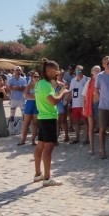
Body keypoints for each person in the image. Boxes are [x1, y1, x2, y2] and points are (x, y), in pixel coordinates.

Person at [34, 59, 68, 187]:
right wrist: (62, 92)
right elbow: (53, 101)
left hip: (42, 117)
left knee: (40, 146)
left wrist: (60, 86)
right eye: (57, 71)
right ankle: (47, 178)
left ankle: (38, 174)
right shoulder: (45, 85)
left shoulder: (40, 83)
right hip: (48, 118)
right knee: (48, 148)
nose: (58, 74)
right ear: (50, 71)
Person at [68, 65, 89, 145]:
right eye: (76, 71)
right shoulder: (73, 80)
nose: (78, 72)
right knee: (76, 122)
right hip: (75, 105)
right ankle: (77, 138)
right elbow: (70, 92)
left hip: (84, 105)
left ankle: (87, 139)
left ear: (82, 71)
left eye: (79, 71)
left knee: (85, 122)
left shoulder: (87, 79)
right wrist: (68, 103)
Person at [18, 72, 39, 145]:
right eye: (35, 76)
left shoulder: (40, 86)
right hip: (29, 104)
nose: (36, 78)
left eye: (38, 76)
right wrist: (35, 96)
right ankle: (23, 139)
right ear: (32, 77)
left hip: (37, 104)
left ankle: (33, 140)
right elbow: (26, 95)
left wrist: (32, 95)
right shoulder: (29, 86)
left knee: (35, 123)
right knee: (26, 123)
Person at [85, 65, 100, 154]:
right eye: (95, 70)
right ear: (92, 72)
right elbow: (84, 95)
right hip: (91, 105)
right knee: (91, 127)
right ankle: (91, 148)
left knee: (101, 127)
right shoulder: (89, 82)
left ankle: (102, 148)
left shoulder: (102, 81)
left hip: (101, 105)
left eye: (99, 70)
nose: (97, 72)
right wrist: (85, 106)